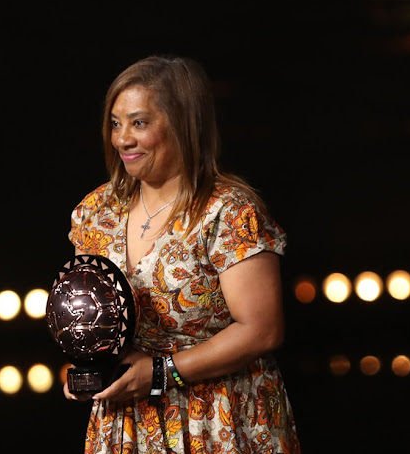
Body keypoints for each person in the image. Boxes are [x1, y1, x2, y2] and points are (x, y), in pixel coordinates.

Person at [64, 54, 301, 453]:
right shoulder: (95, 212)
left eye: (139, 123)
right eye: (116, 123)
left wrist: (160, 373)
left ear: (183, 124)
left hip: (218, 420)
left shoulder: (227, 210)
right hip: (126, 426)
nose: (122, 138)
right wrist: (83, 368)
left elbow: (262, 330)